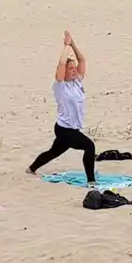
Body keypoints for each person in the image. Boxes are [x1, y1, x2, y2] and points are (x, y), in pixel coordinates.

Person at [27, 31, 97, 188]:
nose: (74, 70)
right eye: (70, 68)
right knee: (89, 146)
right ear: (64, 71)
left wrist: (73, 44)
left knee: (53, 152)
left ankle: (31, 169)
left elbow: (82, 59)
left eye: (74, 68)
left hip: (71, 129)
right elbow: (60, 64)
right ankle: (91, 181)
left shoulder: (77, 82)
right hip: (64, 130)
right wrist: (65, 46)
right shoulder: (60, 86)